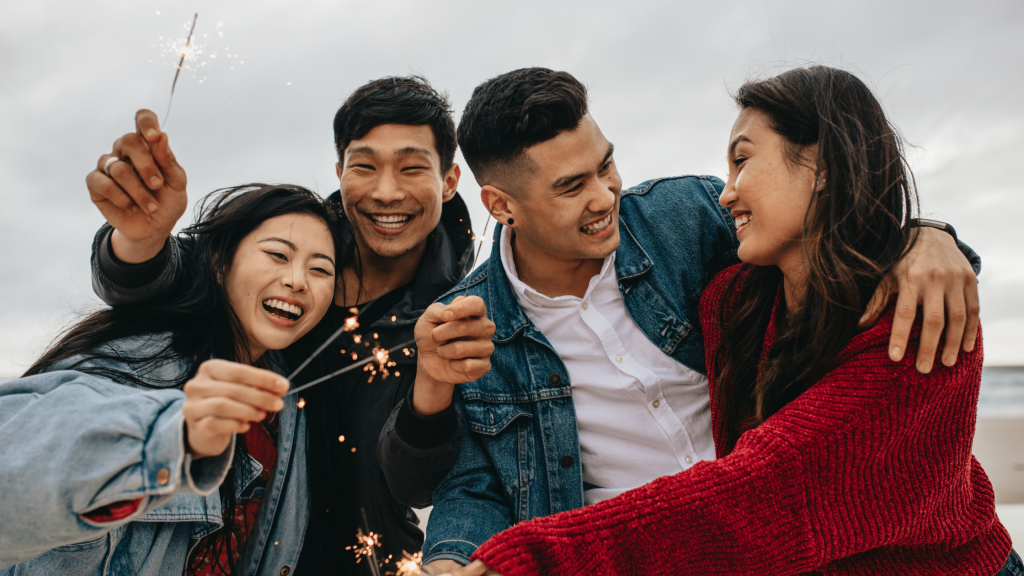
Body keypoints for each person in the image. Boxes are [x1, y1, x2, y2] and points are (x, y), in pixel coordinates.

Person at [400, 67, 986, 575]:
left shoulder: (687, 219)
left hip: (720, 535)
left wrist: (929, 237)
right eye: (572, 187)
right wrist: (453, 560)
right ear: (502, 206)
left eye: (606, 166)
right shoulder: (474, 324)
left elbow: (837, 239)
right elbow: (472, 483)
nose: (605, 196)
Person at [85, 77, 496, 574]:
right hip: (218, 546)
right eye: (365, 166)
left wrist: (433, 382)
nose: (387, 192)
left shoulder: (463, 315)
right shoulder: (287, 247)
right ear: (340, 170)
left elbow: (421, 482)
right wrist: (138, 238)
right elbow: (162, 279)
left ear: (450, 180)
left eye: (412, 169)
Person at [0, 183, 339, 575]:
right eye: (277, 254)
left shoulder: (289, 402)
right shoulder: (138, 361)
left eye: (320, 269)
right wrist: (171, 434)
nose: (298, 280)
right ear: (218, 262)